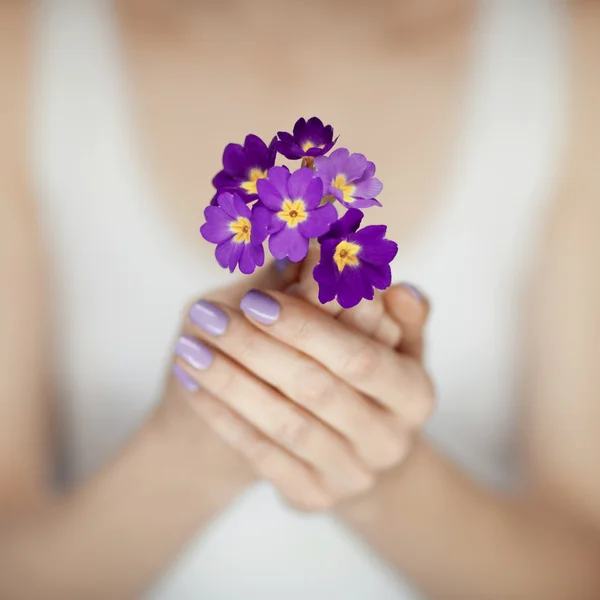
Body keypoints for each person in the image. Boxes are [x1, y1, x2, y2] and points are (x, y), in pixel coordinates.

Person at [1, 0, 600, 598]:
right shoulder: (26, 40)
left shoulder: (569, 50)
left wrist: (381, 476)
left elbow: (579, 573)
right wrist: (190, 453)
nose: (293, 214)